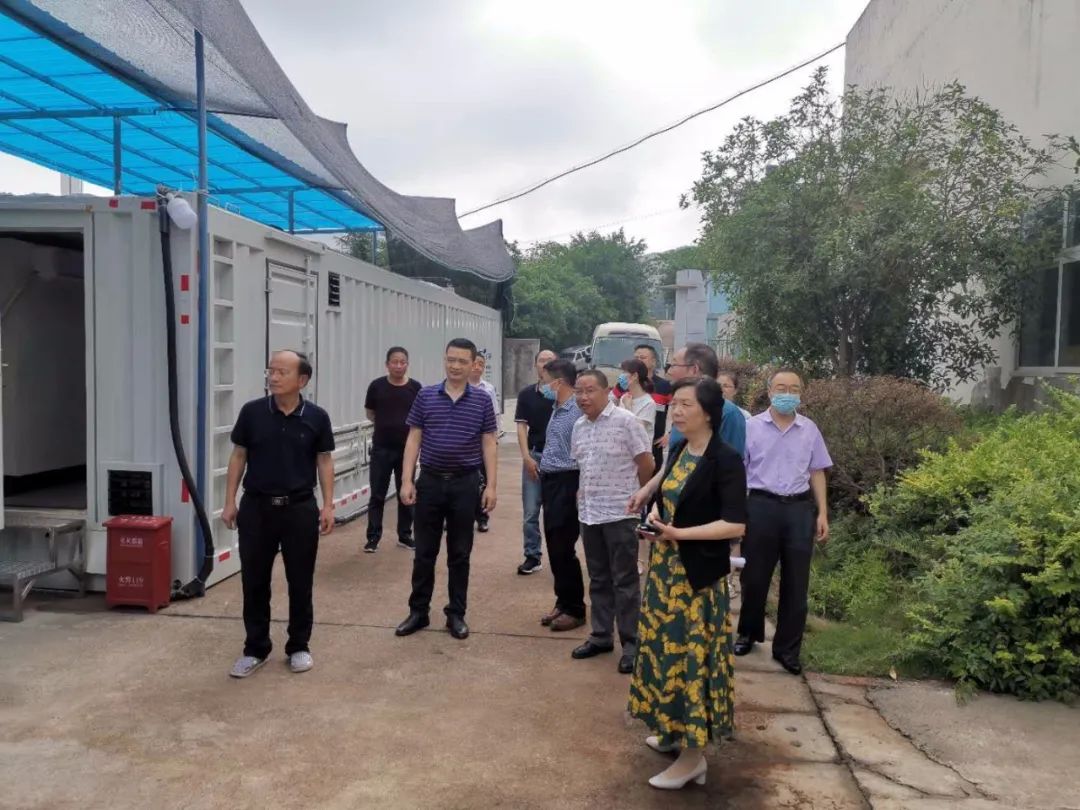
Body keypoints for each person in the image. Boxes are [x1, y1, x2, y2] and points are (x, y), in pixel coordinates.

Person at [629, 377, 747, 790]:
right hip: (665, 571)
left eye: (685, 405)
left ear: (709, 412)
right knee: (664, 651)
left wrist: (679, 534)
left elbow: (735, 524)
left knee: (690, 661)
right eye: (674, 404)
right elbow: (668, 488)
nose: (676, 412)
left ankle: (693, 757)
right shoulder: (680, 448)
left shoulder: (725, 459)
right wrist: (651, 505)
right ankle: (670, 729)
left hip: (695, 579)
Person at [223, 350, 335, 678]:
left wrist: (328, 505)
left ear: (302, 380)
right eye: (270, 371)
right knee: (254, 581)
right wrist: (229, 501)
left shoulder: (317, 417)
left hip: (299, 508)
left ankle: (299, 646)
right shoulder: (252, 412)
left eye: (281, 372)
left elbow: (324, 460)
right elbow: (238, 455)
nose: (273, 377)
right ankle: (255, 648)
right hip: (257, 508)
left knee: (300, 580)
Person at [395, 338, 498, 641]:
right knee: (424, 552)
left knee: (460, 553)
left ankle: (456, 614)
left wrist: (491, 486)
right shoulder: (426, 396)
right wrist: (406, 480)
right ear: (445, 360)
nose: (455, 366)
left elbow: (489, 443)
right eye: (451, 359)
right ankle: (418, 612)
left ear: (473, 364)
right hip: (430, 482)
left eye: (462, 361)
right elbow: (414, 438)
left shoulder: (482, 400)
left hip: (465, 484)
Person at [735, 369, 832, 675]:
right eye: (781, 387)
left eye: (793, 388)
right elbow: (738, 471)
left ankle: (787, 649)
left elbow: (817, 471)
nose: (787, 393)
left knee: (796, 581)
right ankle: (748, 633)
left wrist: (822, 512)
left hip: (798, 510)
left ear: (801, 393)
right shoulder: (751, 427)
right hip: (760, 506)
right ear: (769, 391)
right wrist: (736, 513)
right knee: (754, 576)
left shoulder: (809, 429)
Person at [571, 369, 655, 673]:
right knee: (598, 577)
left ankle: (631, 643)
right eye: (579, 391)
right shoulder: (579, 426)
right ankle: (601, 635)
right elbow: (583, 466)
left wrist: (639, 499)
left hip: (621, 513)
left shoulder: (627, 422)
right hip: (590, 513)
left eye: (590, 390)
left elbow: (646, 463)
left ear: (607, 391)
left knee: (625, 580)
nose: (583, 397)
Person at [536, 358, 587, 633]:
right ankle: (563, 601)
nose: (542, 386)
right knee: (554, 544)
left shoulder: (577, 411)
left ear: (559, 382)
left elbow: (583, 452)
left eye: (545, 381)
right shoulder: (557, 408)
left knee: (563, 547)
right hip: (551, 482)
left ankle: (575, 609)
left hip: (568, 482)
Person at [363, 346, 422, 553]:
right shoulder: (377, 386)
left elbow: (420, 417)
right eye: (394, 362)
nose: (398, 366)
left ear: (407, 364)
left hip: (407, 451)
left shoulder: (415, 388)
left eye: (402, 362)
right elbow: (370, 413)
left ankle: (405, 535)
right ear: (387, 364)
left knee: (405, 493)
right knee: (377, 494)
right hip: (381, 449)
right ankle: (373, 537)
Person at [514, 349, 558, 575]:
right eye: (542, 360)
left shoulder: (567, 395)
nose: (546, 364)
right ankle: (532, 555)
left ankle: (560, 557)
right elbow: (522, 427)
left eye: (550, 360)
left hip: (560, 462)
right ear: (535, 365)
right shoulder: (526, 394)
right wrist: (526, 457)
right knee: (531, 512)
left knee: (556, 513)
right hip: (535, 456)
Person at [611, 344, 672, 473]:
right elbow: (610, 402)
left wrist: (670, 433)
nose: (638, 360)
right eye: (636, 357)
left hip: (653, 443)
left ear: (653, 361)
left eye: (643, 357)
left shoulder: (664, 386)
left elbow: (675, 410)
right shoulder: (623, 387)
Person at [468, 352, 499, 533]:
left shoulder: (488, 389)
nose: (477, 367)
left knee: (483, 481)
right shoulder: (458, 387)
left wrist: (495, 440)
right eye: (475, 363)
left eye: (481, 364)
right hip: (466, 442)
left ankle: (482, 517)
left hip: (484, 441)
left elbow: (495, 415)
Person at [614, 358, 657, 437]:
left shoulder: (649, 403)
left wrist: (628, 408)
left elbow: (637, 429)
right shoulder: (624, 397)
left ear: (635, 376)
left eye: (624, 372)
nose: (621, 376)